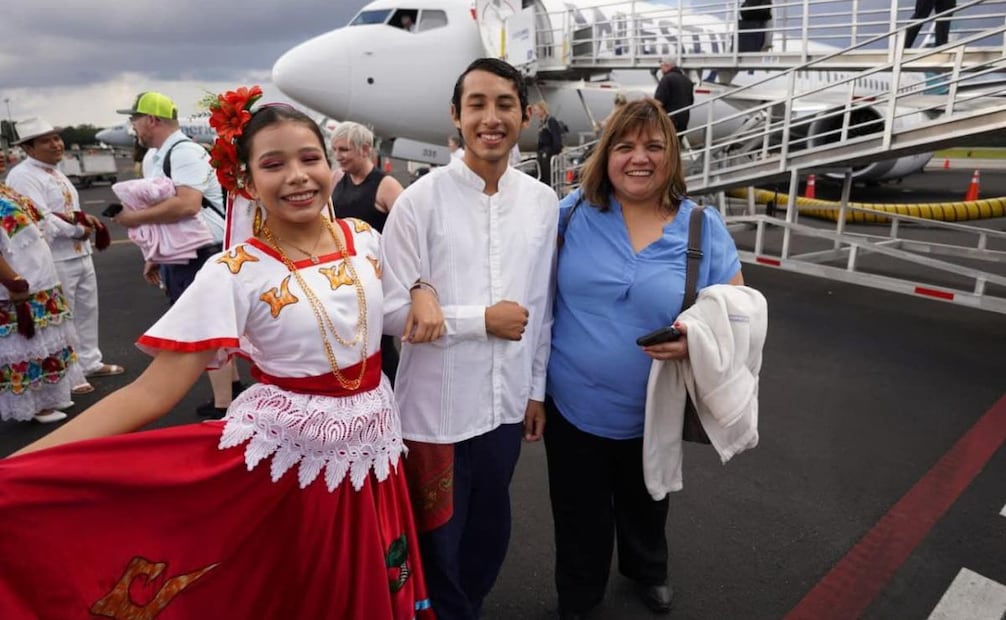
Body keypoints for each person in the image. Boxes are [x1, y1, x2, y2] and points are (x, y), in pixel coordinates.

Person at [0, 91, 433, 620]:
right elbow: (152, 391)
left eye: (309, 158)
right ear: (246, 182)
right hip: (294, 470)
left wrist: (430, 293)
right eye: (273, 164)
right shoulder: (234, 270)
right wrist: (20, 466)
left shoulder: (363, 238)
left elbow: (396, 314)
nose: (297, 176)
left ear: (331, 165)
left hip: (374, 451)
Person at [543, 98, 743, 619]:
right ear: (606, 154)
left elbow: (739, 310)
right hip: (572, 403)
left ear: (671, 157)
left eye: (654, 146)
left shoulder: (702, 227)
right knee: (577, 511)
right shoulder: (570, 215)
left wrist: (694, 341)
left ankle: (647, 567)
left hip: (654, 407)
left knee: (649, 498)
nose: (640, 157)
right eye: (626, 145)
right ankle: (579, 595)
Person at [381, 57, 558, 620]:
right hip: (435, 410)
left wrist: (536, 390)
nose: (491, 117)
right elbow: (390, 311)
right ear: (455, 117)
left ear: (525, 116)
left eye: (504, 104)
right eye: (476, 104)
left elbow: (541, 305)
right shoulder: (418, 202)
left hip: (505, 406)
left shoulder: (541, 202)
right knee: (438, 544)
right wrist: (479, 319)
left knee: (489, 534)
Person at [112, 91, 242, 418]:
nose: (133, 126)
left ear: (151, 120)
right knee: (210, 323)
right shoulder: (157, 155)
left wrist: (130, 220)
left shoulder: (183, 152)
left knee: (205, 326)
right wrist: (155, 254)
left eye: (135, 119)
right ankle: (234, 388)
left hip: (202, 251)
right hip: (183, 252)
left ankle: (223, 406)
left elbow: (187, 204)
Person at [6, 117, 123, 395]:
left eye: (56, 138)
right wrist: (76, 230)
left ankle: (89, 361)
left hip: (78, 253)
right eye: (46, 140)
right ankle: (70, 374)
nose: (56, 144)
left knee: (86, 310)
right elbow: (40, 218)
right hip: (54, 257)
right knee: (63, 317)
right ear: (28, 147)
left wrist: (80, 228)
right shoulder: (23, 175)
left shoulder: (53, 171)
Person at [0, 183, 87, 424]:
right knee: (24, 346)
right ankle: (34, 405)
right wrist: (12, 280)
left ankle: (49, 397)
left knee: (45, 343)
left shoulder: (7, 191)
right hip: (18, 282)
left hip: (39, 277)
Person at [331, 121, 405, 385]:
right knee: (350, 341)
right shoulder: (338, 179)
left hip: (376, 277)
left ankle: (395, 394)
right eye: (335, 150)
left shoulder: (387, 185)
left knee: (379, 342)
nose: (338, 156)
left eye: (344, 150)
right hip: (344, 277)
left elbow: (409, 231)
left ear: (364, 149)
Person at [653, 56, 694, 135]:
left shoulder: (667, 79)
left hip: (669, 120)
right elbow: (691, 102)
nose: (661, 70)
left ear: (667, 66)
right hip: (684, 119)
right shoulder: (687, 80)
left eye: (661, 66)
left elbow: (658, 102)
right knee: (676, 143)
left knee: (666, 144)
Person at [532, 100, 564, 185]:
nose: (535, 112)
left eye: (537, 110)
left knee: (547, 174)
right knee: (540, 172)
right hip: (542, 151)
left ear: (542, 109)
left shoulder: (551, 120)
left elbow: (556, 135)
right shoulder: (541, 122)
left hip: (548, 150)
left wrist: (555, 151)